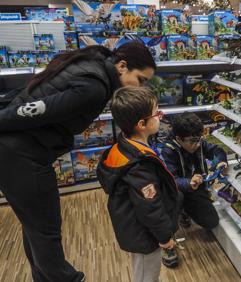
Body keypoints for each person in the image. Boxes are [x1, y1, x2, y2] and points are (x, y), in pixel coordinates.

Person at [0, 42, 156, 282]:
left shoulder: (93, 63)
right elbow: (32, 111)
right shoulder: (93, 87)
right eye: (141, 79)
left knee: (35, 227)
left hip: (17, 153)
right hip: (21, 155)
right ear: (122, 66)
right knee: (46, 232)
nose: (142, 86)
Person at [97, 86, 182, 281]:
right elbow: (150, 208)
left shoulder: (124, 147)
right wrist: (165, 238)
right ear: (142, 124)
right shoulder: (139, 166)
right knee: (146, 273)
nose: (160, 117)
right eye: (157, 113)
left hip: (134, 225)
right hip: (144, 235)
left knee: (146, 271)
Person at [161, 112, 228, 231]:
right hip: (180, 189)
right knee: (178, 197)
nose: (197, 145)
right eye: (193, 141)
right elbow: (171, 180)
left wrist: (221, 161)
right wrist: (189, 183)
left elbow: (217, 151)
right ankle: (181, 211)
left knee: (211, 221)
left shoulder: (197, 142)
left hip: (196, 188)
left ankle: (190, 207)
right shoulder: (167, 151)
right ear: (178, 139)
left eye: (199, 140)